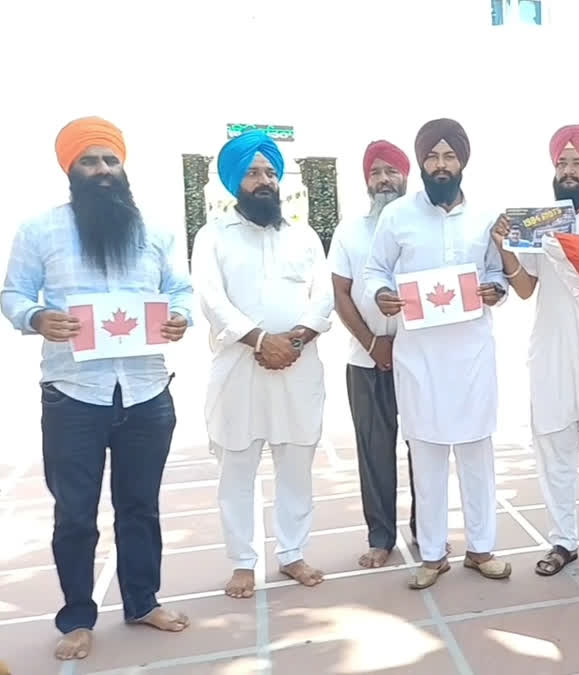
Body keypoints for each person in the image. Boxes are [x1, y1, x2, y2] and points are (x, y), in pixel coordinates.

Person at [1, 117, 192, 660]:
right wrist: (37, 317)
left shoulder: (155, 229)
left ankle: (143, 601)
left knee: (139, 505)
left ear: (123, 166)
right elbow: (13, 293)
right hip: (73, 393)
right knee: (76, 512)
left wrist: (178, 316)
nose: (103, 171)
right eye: (90, 161)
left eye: (110, 160)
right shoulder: (40, 229)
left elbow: (178, 288)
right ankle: (78, 617)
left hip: (146, 391)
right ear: (72, 169)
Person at [364, 118, 510, 589]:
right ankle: (431, 555)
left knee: (475, 454)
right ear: (422, 162)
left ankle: (482, 549)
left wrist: (496, 289)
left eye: (449, 157)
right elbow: (373, 270)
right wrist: (383, 293)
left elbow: (499, 273)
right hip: (419, 358)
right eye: (432, 157)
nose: (440, 166)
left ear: (462, 161)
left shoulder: (487, 214)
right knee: (425, 454)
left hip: (471, 355)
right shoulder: (397, 216)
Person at [192, 130, 335, 599]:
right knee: (238, 468)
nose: (264, 181)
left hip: (298, 366)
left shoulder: (305, 235)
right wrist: (259, 340)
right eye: (253, 173)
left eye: (270, 172)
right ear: (235, 181)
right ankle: (242, 561)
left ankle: (292, 553)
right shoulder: (213, 237)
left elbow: (324, 295)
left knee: (296, 465)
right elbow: (212, 301)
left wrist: (296, 339)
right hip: (240, 372)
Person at [491, 124, 579, 578]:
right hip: (550, 349)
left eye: (576, 163)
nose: (568, 171)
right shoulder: (539, 222)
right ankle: (562, 540)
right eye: (561, 163)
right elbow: (526, 288)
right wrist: (505, 246)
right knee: (554, 446)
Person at [329, 139, 420, 569]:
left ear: (406, 176)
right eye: (375, 173)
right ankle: (381, 537)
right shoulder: (350, 231)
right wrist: (372, 343)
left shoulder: (421, 227)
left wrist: (401, 344)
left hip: (419, 356)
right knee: (374, 450)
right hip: (365, 361)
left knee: (425, 444)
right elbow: (341, 294)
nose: (383, 179)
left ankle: (427, 531)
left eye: (391, 171)